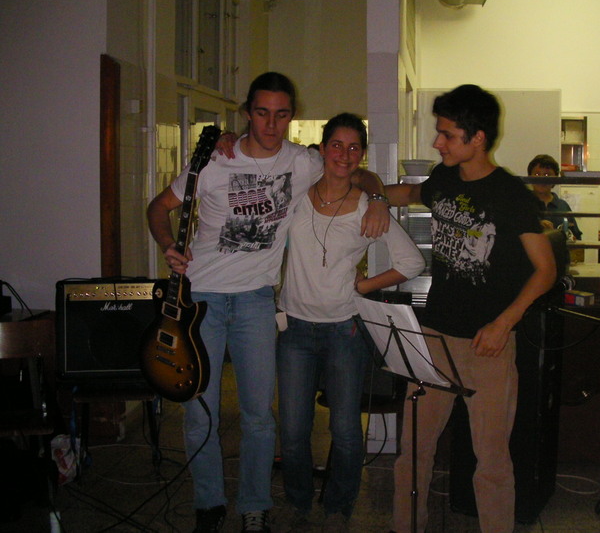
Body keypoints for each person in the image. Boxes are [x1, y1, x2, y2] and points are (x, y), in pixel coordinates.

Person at [146, 72, 390, 533]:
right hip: (201, 302)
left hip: (257, 301)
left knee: (259, 416)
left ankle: (254, 506)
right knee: (200, 411)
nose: (271, 124)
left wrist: (377, 197)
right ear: (247, 113)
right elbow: (158, 208)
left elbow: (352, 169)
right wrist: (167, 244)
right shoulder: (214, 163)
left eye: (281, 114)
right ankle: (208, 504)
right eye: (262, 113)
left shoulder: (303, 162)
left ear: (291, 116)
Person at [384, 84, 557, 533]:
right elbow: (407, 194)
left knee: (492, 461)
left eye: (446, 134)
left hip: (488, 346)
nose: (437, 142)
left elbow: (545, 271)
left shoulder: (511, 194)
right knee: (413, 451)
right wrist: (369, 194)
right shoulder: (443, 180)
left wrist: (504, 323)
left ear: (477, 138)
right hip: (434, 339)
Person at [275, 113, 424, 532]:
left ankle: (338, 507)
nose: (344, 154)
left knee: (344, 429)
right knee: (293, 430)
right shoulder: (296, 196)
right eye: (336, 145)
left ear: (362, 154)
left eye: (354, 147)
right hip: (295, 330)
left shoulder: (366, 208)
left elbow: (412, 261)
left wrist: (364, 286)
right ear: (322, 149)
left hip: (345, 329)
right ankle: (299, 502)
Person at [527, 154, 582, 240]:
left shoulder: (563, 206)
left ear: (555, 178)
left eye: (547, 175)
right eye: (537, 174)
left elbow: (576, 238)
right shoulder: (521, 204)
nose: (541, 179)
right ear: (529, 177)